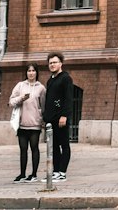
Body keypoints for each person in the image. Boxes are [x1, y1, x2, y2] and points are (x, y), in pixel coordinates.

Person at [9, 63, 46, 182]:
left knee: (34, 148)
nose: (31, 73)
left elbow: (43, 106)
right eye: (29, 71)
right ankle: (22, 174)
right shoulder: (20, 86)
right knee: (23, 149)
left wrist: (42, 120)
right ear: (26, 72)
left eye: (33, 71)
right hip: (22, 123)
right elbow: (11, 102)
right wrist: (21, 98)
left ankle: (34, 174)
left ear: (36, 72)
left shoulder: (41, 88)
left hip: (35, 123)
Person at [44, 53, 74, 181]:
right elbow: (49, 100)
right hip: (51, 119)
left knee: (64, 145)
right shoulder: (50, 80)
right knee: (54, 146)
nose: (52, 65)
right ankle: (55, 171)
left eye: (55, 62)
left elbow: (68, 98)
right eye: (50, 63)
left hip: (61, 118)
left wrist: (64, 115)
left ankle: (62, 172)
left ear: (61, 63)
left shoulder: (66, 78)